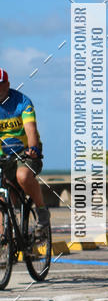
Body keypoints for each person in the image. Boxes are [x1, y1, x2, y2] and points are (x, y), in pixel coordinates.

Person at [0, 69, 50, 236]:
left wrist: (33, 148)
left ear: (7, 84)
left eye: (0, 85)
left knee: (23, 176)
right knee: (3, 198)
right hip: (2, 157)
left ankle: (42, 212)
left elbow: (31, 130)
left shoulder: (22, 102)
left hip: (25, 152)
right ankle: (5, 244)